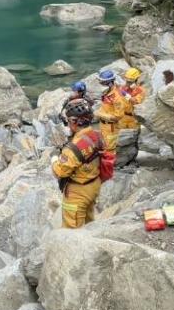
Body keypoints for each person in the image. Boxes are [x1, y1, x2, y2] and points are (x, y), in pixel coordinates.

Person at [52, 99, 104, 228]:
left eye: (68, 121)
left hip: (78, 191)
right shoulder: (98, 135)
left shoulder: (73, 148)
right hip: (94, 184)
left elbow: (60, 172)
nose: (67, 124)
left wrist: (53, 161)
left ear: (74, 122)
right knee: (89, 221)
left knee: (72, 229)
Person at [93, 69, 129, 152]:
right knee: (104, 145)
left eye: (102, 82)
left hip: (111, 127)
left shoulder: (117, 97)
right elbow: (106, 107)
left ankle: (111, 163)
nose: (100, 83)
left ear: (108, 83)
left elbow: (118, 116)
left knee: (109, 149)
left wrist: (99, 114)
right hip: (104, 125)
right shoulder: (107, 92)